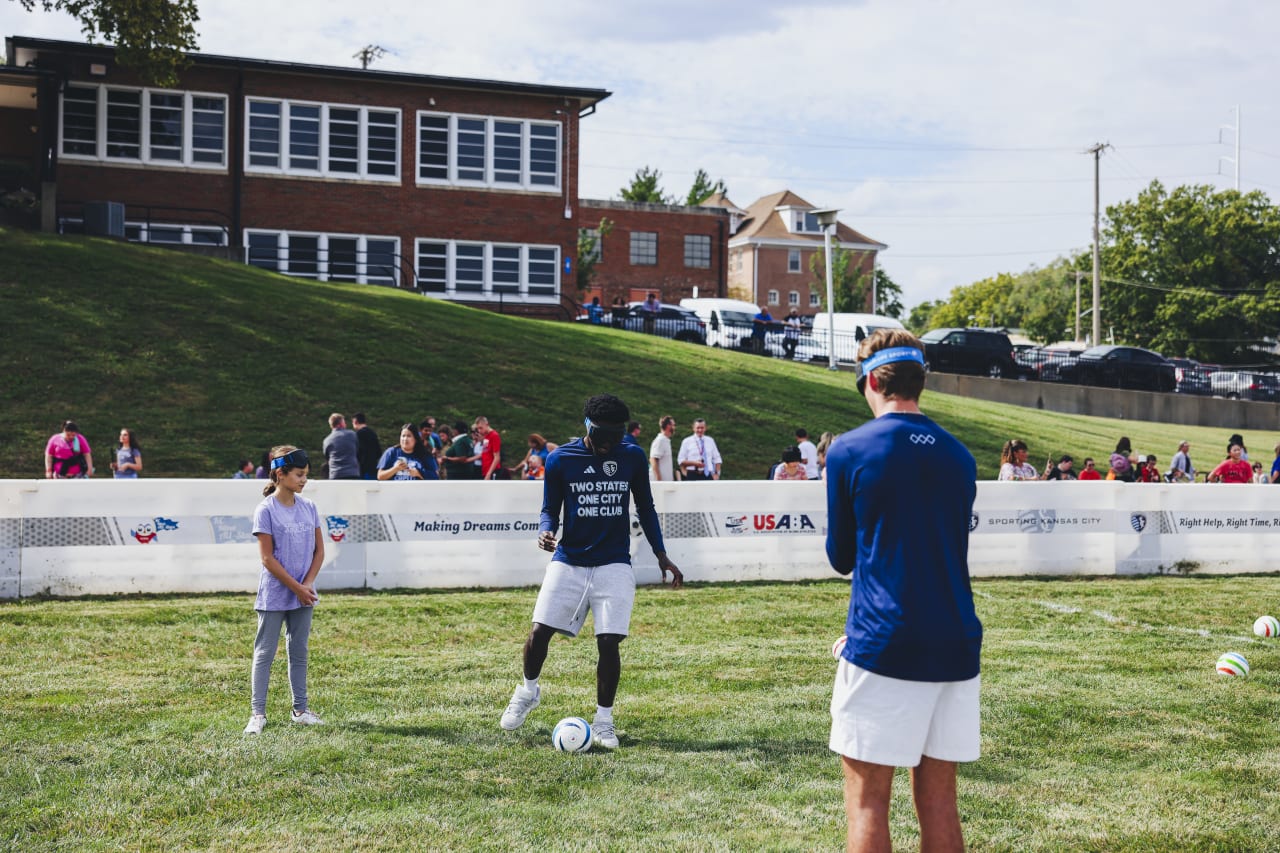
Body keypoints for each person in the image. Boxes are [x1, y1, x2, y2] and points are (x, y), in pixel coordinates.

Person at [825, 329, 982, 853]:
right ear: (922, 381)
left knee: (868, 798)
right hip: (957, 641)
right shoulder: (960, 454)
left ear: (871, 380)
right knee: (939, 800)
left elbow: (841, 557)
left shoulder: (850, 448)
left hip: (885, 639)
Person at [498, 394, 683, 749]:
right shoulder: (560, 459)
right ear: (588, 427)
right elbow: (549, 508)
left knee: (609, 640)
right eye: (603, 436)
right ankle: (528, 692)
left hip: (614, 562)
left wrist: (662, 555)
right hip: (569, 559)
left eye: (616, 436)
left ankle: (604, 721)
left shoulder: (631, 456)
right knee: (538, 632)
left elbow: (646, 508)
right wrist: (545, 530)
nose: (609, 444)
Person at [245, 445, 325, 734]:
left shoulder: (310, 507)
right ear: (280, 474)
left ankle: (300, 710)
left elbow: (319, 551)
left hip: (304, 593)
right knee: (265, 653)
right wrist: (296, 588)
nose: (304, 480)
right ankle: (258, 714)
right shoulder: (265, 510)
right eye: (299, 475)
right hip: (275, 595)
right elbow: (267, 558)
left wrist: (307, 585)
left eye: (306, 475)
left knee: (299, 651)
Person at [322, 413, 360, 480]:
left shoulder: (327, 440)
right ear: (341, 423)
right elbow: (358, 450)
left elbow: (327, 457)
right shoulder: (352, 435)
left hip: (335, 474)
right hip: (352, 473)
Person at [352, 413, 381, 481]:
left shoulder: (358, 435)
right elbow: (379, 452)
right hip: (373, 467)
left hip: (363, 470)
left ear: (355, 422)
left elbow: (357, 452)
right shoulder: (373, 433)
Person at [649, 415, 676, 481]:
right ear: (668, 426)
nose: (674, 427)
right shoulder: (660, 440)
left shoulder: (665, 440)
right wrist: (659, 479)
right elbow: (653, 459)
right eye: (673, 425)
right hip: (660, 483)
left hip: (665, 483)